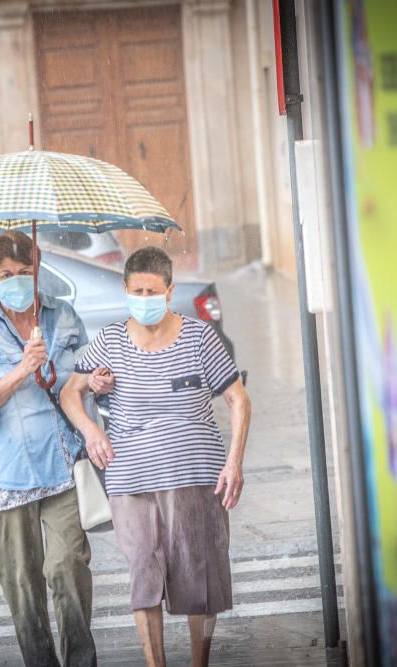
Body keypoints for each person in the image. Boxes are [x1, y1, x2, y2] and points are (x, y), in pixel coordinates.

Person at [60, 246, 252, 667]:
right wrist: (92, 431)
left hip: (196, 477)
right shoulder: (109, 340)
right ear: (125, 289)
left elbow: (238, 400)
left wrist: (233, 462)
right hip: (131, 480)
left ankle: (199, 661)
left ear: (169, 291)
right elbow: (69, 393)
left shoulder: (200, 337)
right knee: (144, 573)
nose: (144, 297)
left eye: (152, 290)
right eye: (136, 290)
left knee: (197, 571)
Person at [0, 230, 112, 667]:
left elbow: (79, 379)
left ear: (37, 270)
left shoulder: (63, 317)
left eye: (25, 272)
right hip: (8, 477)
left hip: (63, 466)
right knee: (22, 584)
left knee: (69, 568)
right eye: (7, 274)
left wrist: (97, 381)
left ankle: (82, 661)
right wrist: (22, 369)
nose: (18, 280)